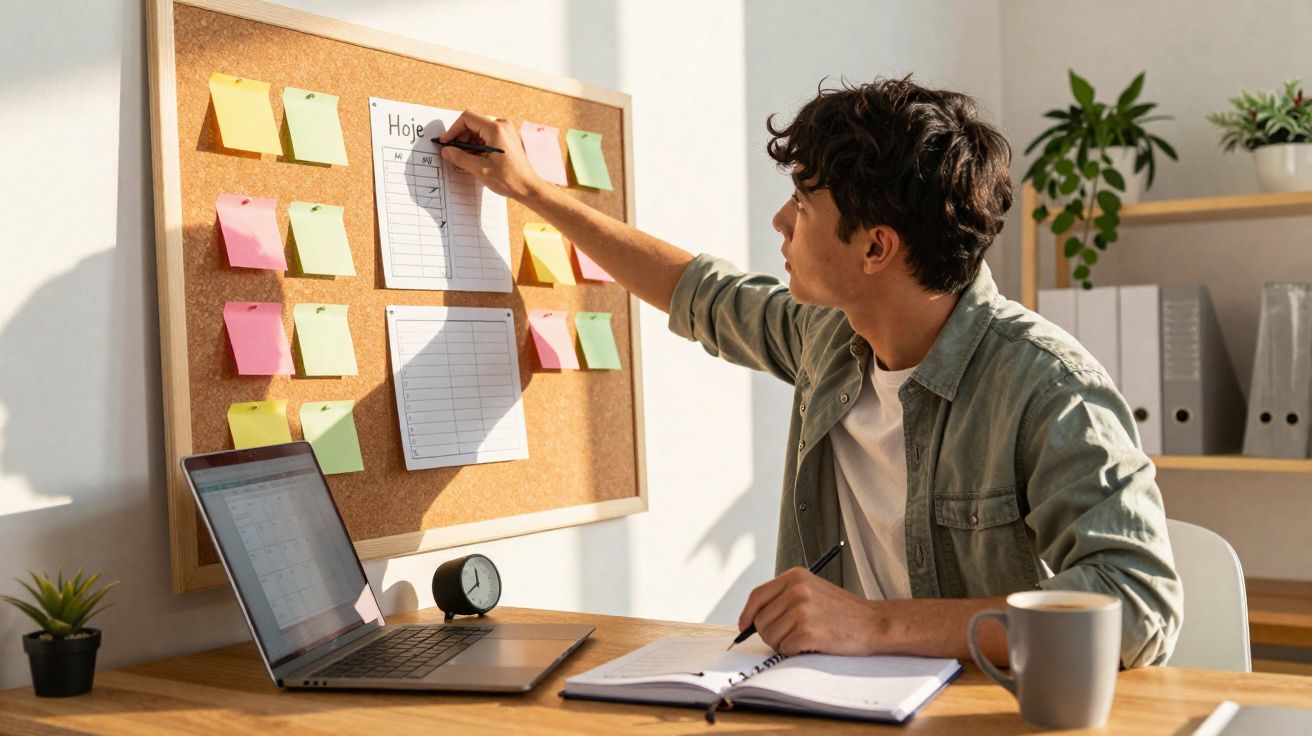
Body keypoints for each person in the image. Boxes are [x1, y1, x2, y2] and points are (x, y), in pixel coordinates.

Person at [437, 76, 1182, 668]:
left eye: (802, 202)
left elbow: (1138, 606)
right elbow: (697, 290)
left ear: (876, 249)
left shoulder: (1047, 386)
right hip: (841, 705)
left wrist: (875, 625)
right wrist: (532, 191)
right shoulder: (830, 339)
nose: (781, 223)